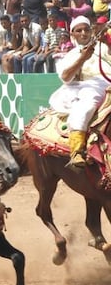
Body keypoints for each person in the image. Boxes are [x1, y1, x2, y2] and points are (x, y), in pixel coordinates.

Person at [47, 16, 109, 170]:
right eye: (78, 30)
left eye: (86, 29)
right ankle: (77, 150)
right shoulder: (71, 55)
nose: (83, 33)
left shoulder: (103, 47)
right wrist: (82, 58)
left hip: (107, 83)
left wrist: (107, 42)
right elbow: (66, 77)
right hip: (89, 88)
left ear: (92, 30)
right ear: (72, 34)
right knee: (86, 105)